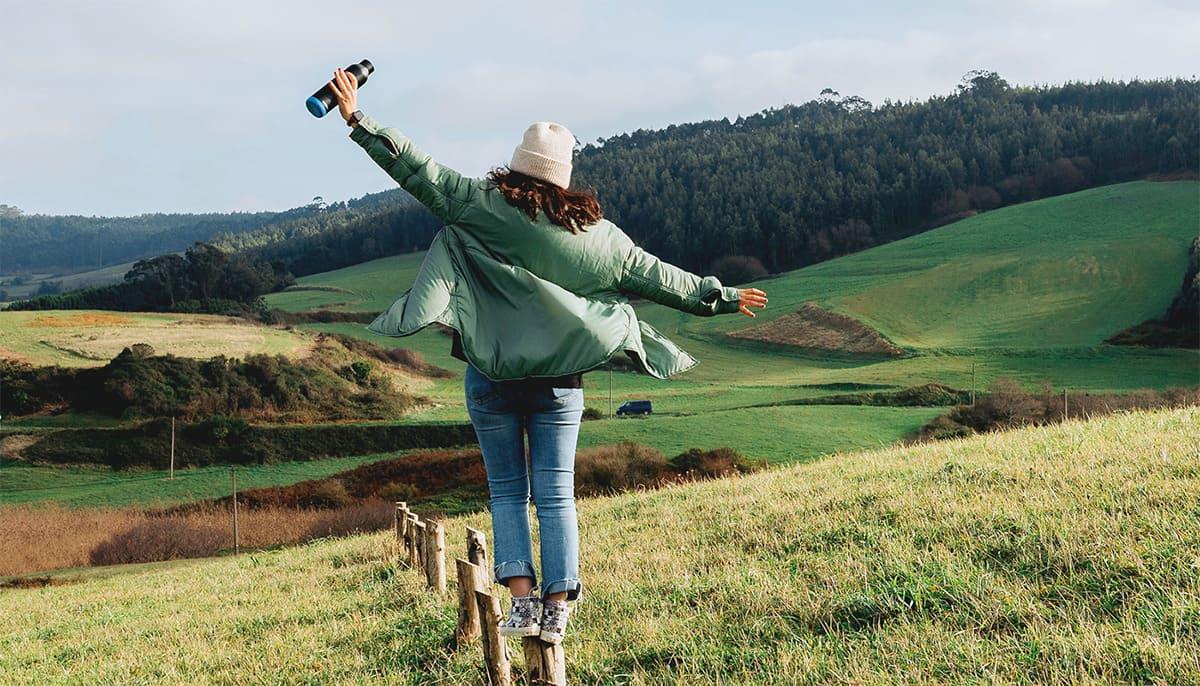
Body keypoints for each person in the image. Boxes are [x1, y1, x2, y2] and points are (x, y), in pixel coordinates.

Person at [326, 67, 767, 644]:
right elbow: (668, 281)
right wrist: (724, 297)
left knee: (507, 491)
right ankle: (558, 607)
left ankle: (521, 602)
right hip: (560, 382)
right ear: (565, 177)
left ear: (516, 165)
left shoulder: (480, 206)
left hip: (490, 375)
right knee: (556, 493)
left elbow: (415, 167)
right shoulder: (603, 240)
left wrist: (357, 118)